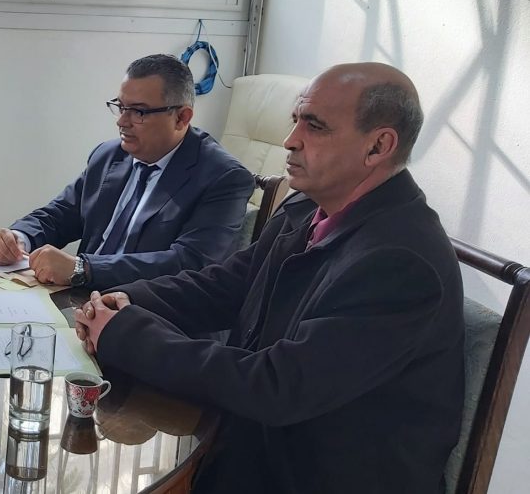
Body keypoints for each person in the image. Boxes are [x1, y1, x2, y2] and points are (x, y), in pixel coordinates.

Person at [75, 63, 464, 493]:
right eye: (295, 120)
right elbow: (223, 286)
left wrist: (126, 334)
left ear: (378, 146)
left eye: (314, 126)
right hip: (255, 443)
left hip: (314, 475)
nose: (290, 140)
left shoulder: (400, 262)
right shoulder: (306, 207)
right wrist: (121, 299)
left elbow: (278, 387)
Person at [0, 54, 253, 288]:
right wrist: (19, 237)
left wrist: (83, 269)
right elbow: (60, 214)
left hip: (150, 312)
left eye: (138, 112)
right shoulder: (109, 155)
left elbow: (189, 263)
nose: (122, 121)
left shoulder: (223, 178)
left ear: (181, 118)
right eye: (121, 106)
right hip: (80, 299)